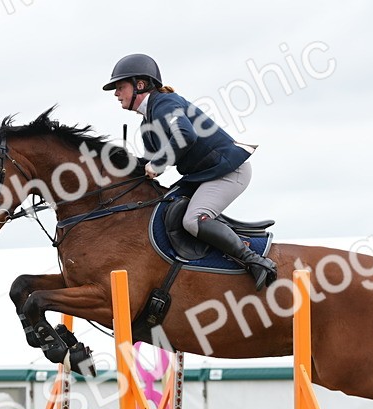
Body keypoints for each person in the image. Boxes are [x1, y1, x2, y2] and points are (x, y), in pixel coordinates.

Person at [104, 53, 277, 291]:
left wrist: (157, 165)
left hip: (229, 171)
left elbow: (184, 136)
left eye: (120, 87)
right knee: (162, 205)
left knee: (193, 221)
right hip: (205, 175)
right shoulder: (148, 122)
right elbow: (150, 161)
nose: (116, 93)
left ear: (140, 85)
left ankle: (255, 262)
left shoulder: (165, 103)